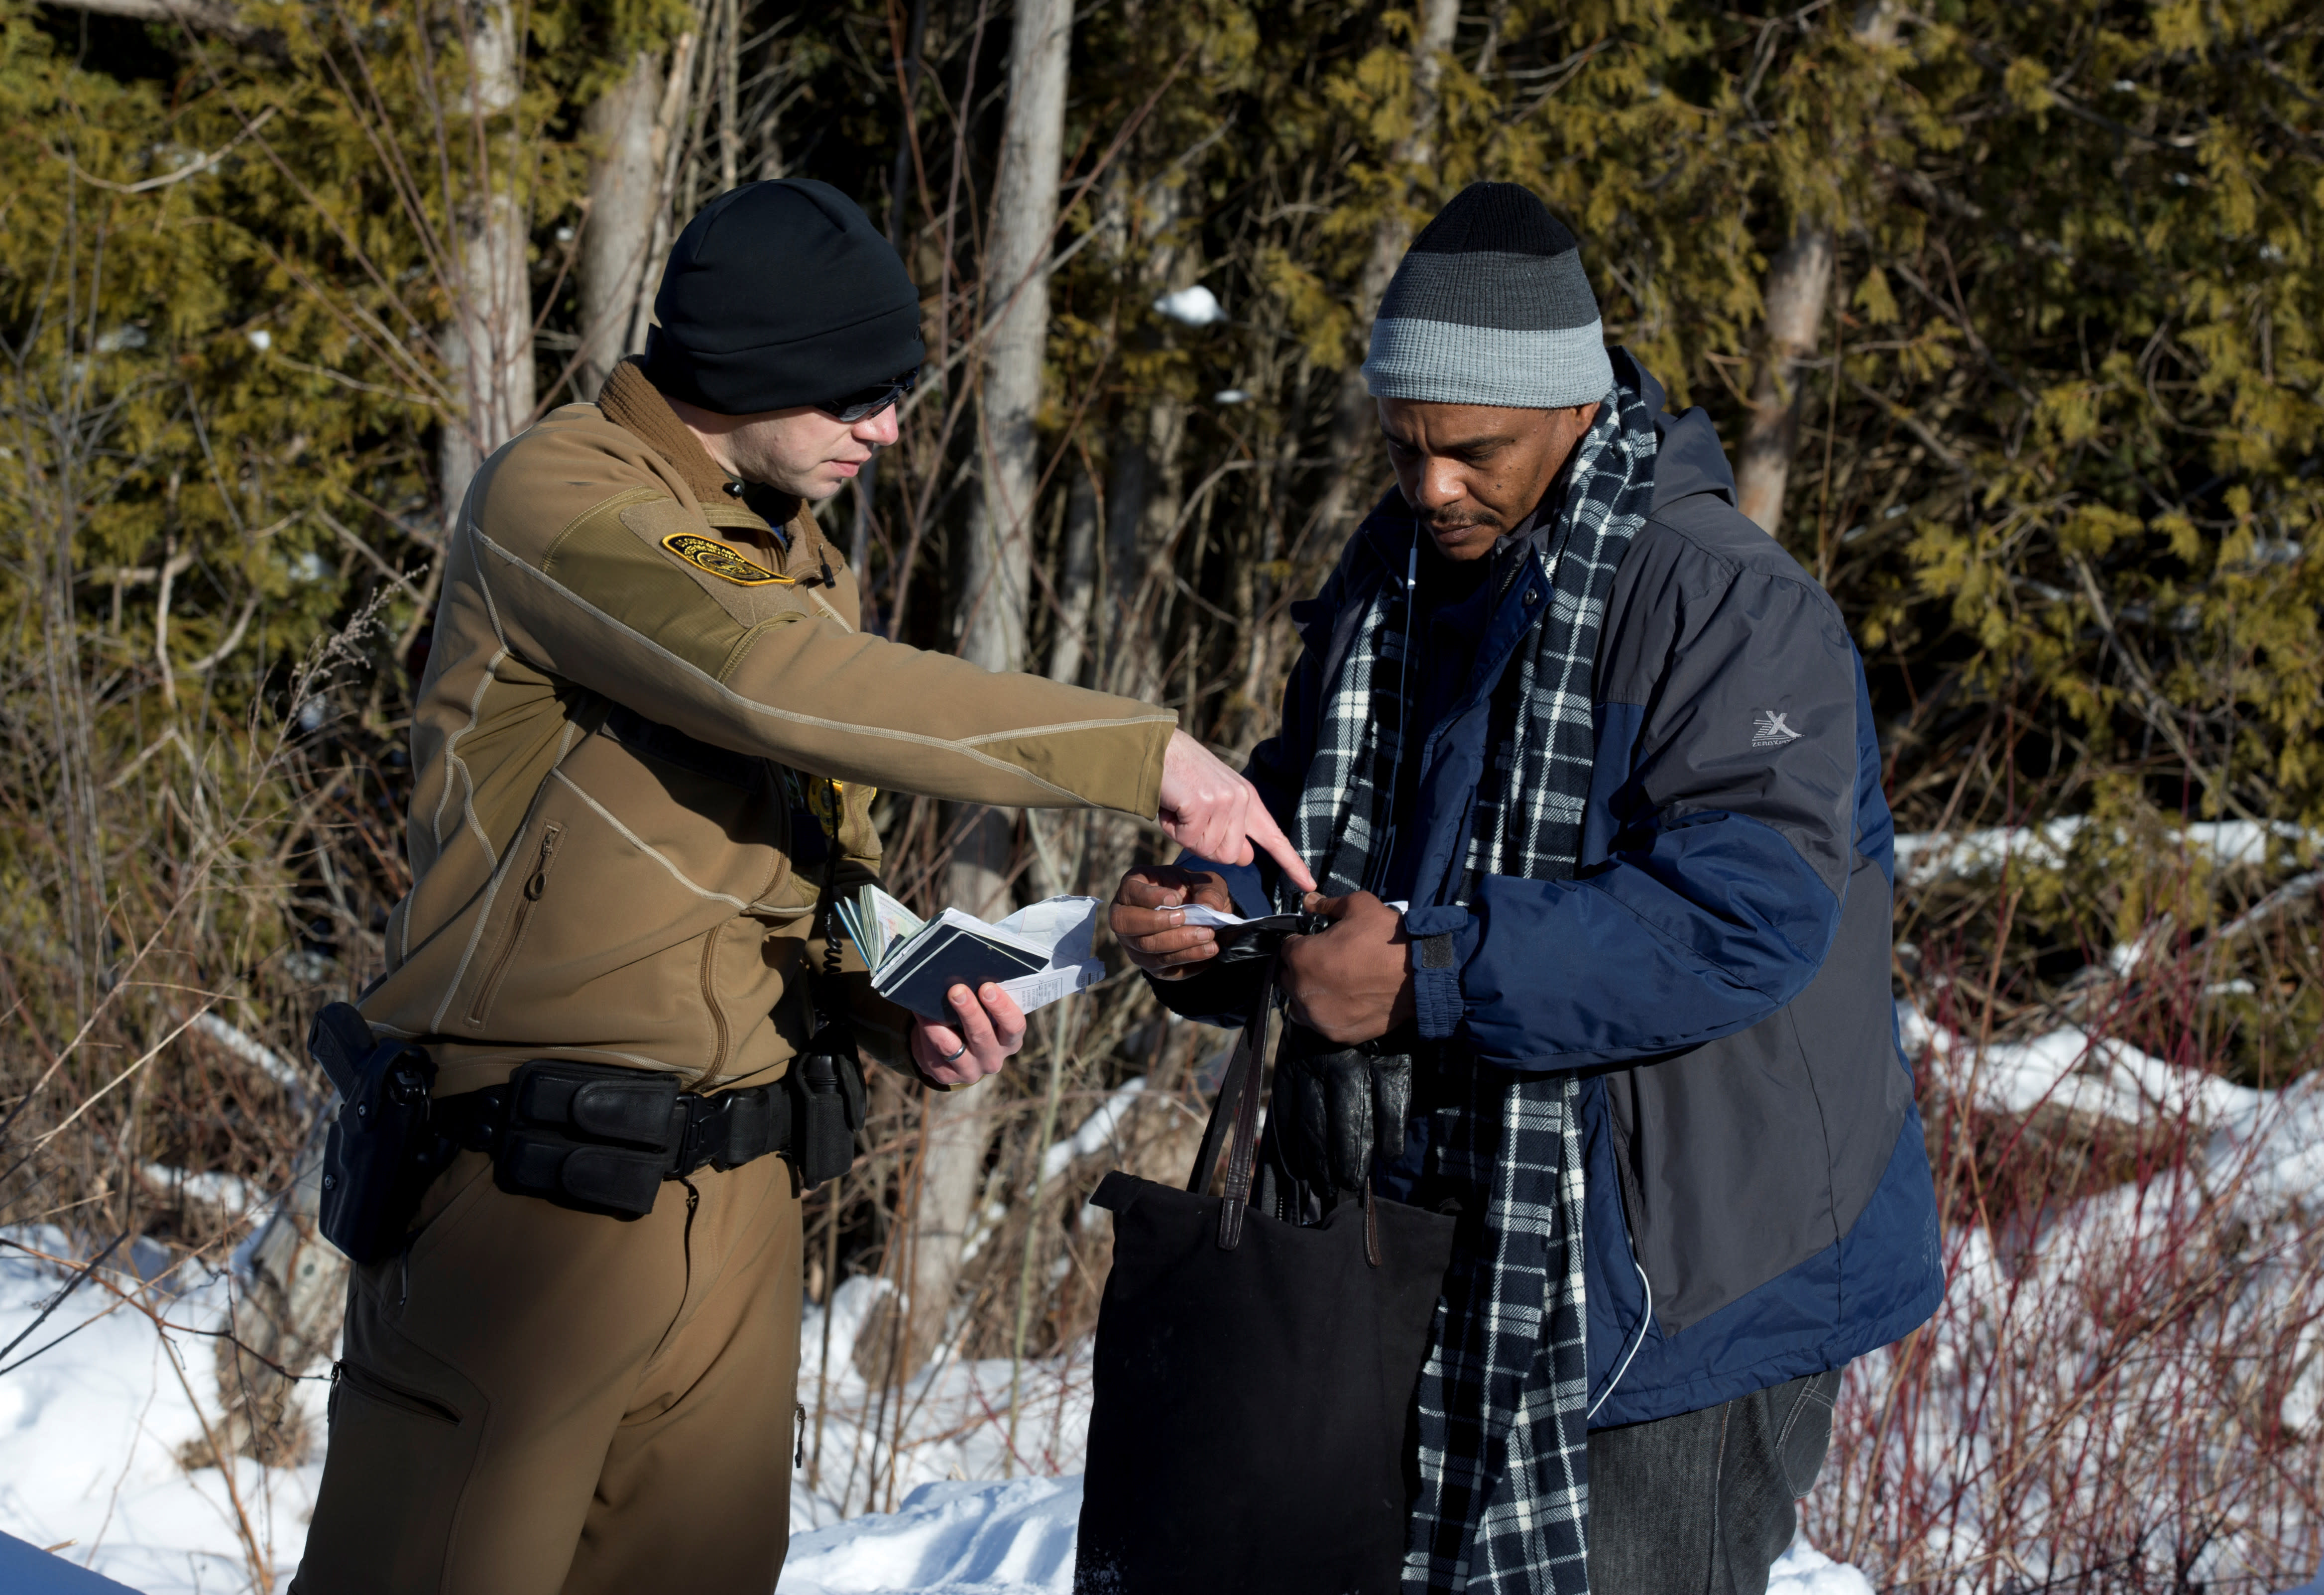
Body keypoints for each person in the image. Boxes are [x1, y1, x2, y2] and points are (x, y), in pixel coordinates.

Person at [291, 179, 1310, 1595]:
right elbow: (772, 684)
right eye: (858, 394)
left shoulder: (792, 553)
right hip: (529, 1213)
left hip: (746, 1210)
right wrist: (1145, 755)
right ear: (750, 367)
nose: (886, 429)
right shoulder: (561, 498)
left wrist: (915, 995)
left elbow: (815, 876)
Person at [1110, 182, 1944, 1595]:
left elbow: (1742, 917)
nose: (1431, 484)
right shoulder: (1397, 575)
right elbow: (1313, 833)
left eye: (1472, 450)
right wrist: (1214, 920)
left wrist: (1429, 972)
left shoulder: (1724, 603)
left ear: (1570, 406)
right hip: (1420, 1235)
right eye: (1404, 449)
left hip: (1675, 1279)